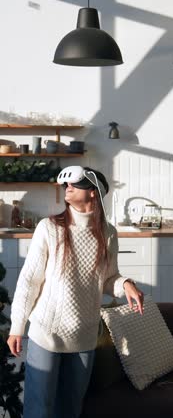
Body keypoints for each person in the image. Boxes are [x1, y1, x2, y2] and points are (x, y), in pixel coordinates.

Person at [7, 165, 144, 418]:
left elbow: (107, 279)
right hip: (46, 333)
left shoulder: (108, 233)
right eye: (67, 184)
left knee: (71, 410)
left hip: (84, 337)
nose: (68, 188)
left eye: (76, 184)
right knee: (40, 409)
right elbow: (29, 281)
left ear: (93, 192)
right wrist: (17, 327)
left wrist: (125, 283)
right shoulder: (49, 228)